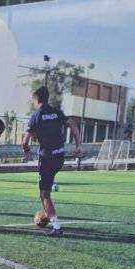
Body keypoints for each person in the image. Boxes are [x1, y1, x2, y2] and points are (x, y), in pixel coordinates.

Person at [22, 86, 82, 237]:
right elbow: (73, 125)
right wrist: (78, 146)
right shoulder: (57, 113)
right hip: (59, 156)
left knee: (44, 194)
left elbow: (25, 141)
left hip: (47, 158)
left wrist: (26, 149)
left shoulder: (36, 115)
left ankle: (56, 226)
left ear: (36, 99)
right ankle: (48, 215)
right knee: (45, 190)